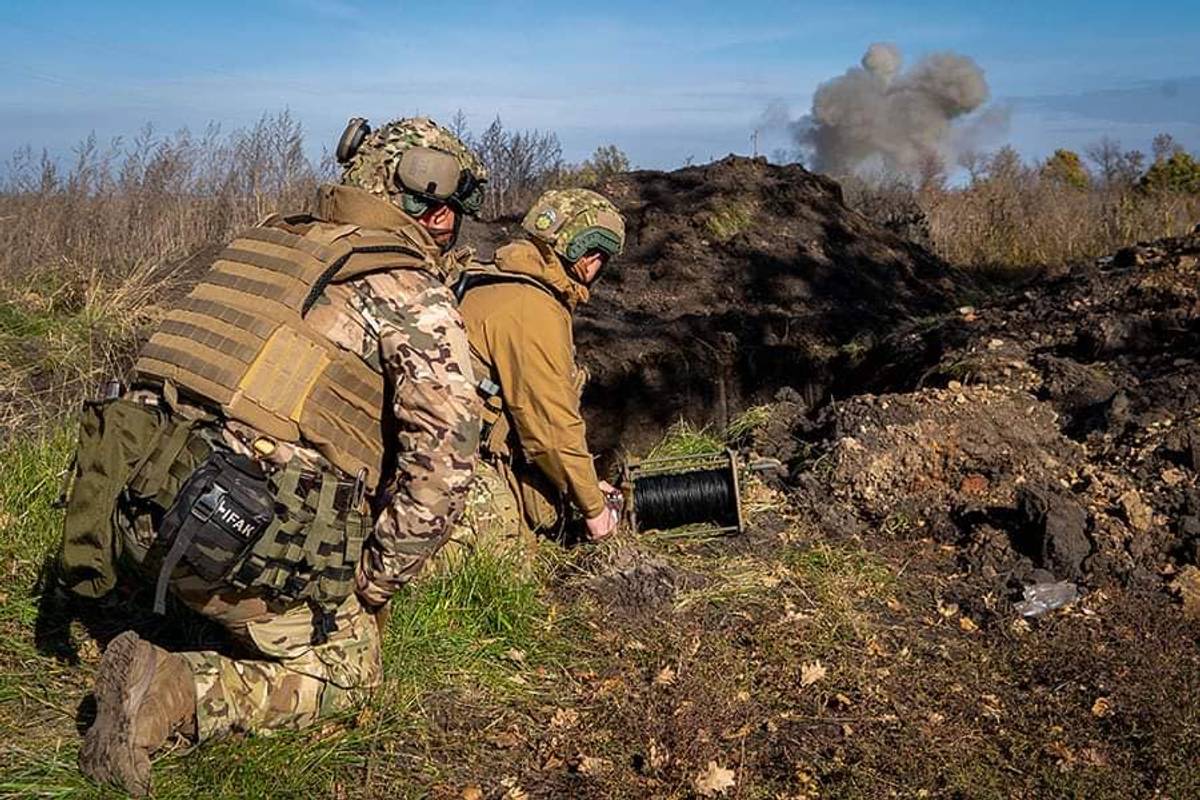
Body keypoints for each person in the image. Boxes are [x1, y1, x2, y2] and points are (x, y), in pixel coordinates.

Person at [59, 116, 485, 797]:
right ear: (436, 211)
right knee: (351, 669)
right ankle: (172, 691)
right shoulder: (409, 288)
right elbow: (447, 461)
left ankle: (178, 612)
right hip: (224, 537)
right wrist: (375, 583)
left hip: (133, 517)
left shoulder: (268, 240)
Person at [456, 188, 626, 545]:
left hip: (438, 446)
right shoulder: (532, 309)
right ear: (589, 256)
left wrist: (587, 483)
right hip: (454, 466)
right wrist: (596, 512)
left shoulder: (491, 275)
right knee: (516, 554)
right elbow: (551, 428)